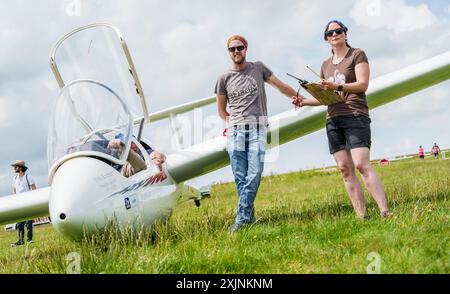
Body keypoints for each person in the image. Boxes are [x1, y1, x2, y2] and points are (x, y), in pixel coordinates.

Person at [293, 20, 391, 219]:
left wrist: (335, 87)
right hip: (333, 119)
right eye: (330, 33)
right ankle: (361, 215)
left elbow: (363, 85)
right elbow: (324, 99)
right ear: (326, 39)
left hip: (355, 114)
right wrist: (304, 101)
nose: (334, 35)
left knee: (362, 164)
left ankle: (384, 211)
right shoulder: (325, 65)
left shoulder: (357, 54)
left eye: (338, 31)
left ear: (345, 33)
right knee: (345, 169)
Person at [215, 35, 303, 232]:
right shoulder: (223, 79)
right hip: (236, 131)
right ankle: (249, 218)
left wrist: (300, 98)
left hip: (257, 129)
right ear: (229, 53)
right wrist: (233, 123)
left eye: (239, 48)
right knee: (240, 177)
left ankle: (240, 219)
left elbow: (281, 87)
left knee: (254, 173)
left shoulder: (258, 68)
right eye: (232, 49)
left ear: (246, 49)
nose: (236, 52)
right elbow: (221, 110)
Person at [10, 160, 37, 247]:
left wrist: (33, 200)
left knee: (29, 221)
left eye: (16, 166)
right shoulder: (14, 178)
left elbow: (34, 188)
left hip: (28, 202)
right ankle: (21, 241)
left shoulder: (28, 176)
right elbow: (14, 190)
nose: (14, 168)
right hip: (18, 203)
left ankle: (29, 239)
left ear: (20, 168)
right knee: (20, 223)